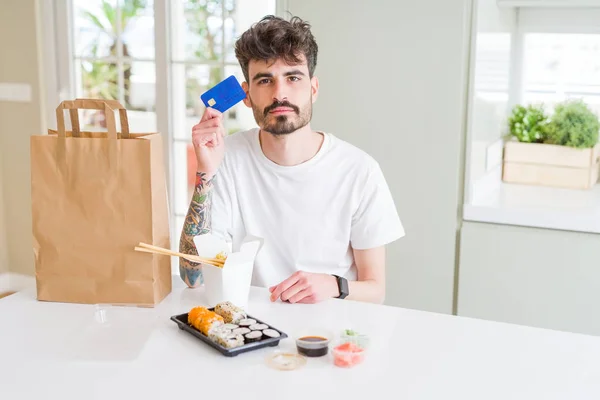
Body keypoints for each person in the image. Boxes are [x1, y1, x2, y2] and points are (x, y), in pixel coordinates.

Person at [179, 15, 404, 304]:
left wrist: (333, 285)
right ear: (246, 95)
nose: (280, 93)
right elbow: (193, 278)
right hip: (252, 329)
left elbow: (375, 290)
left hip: (327, 334)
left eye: (293, 77)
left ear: (313, 88)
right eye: (265, 80)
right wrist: (206, 172)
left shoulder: (360, 171)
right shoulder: (226, 158)